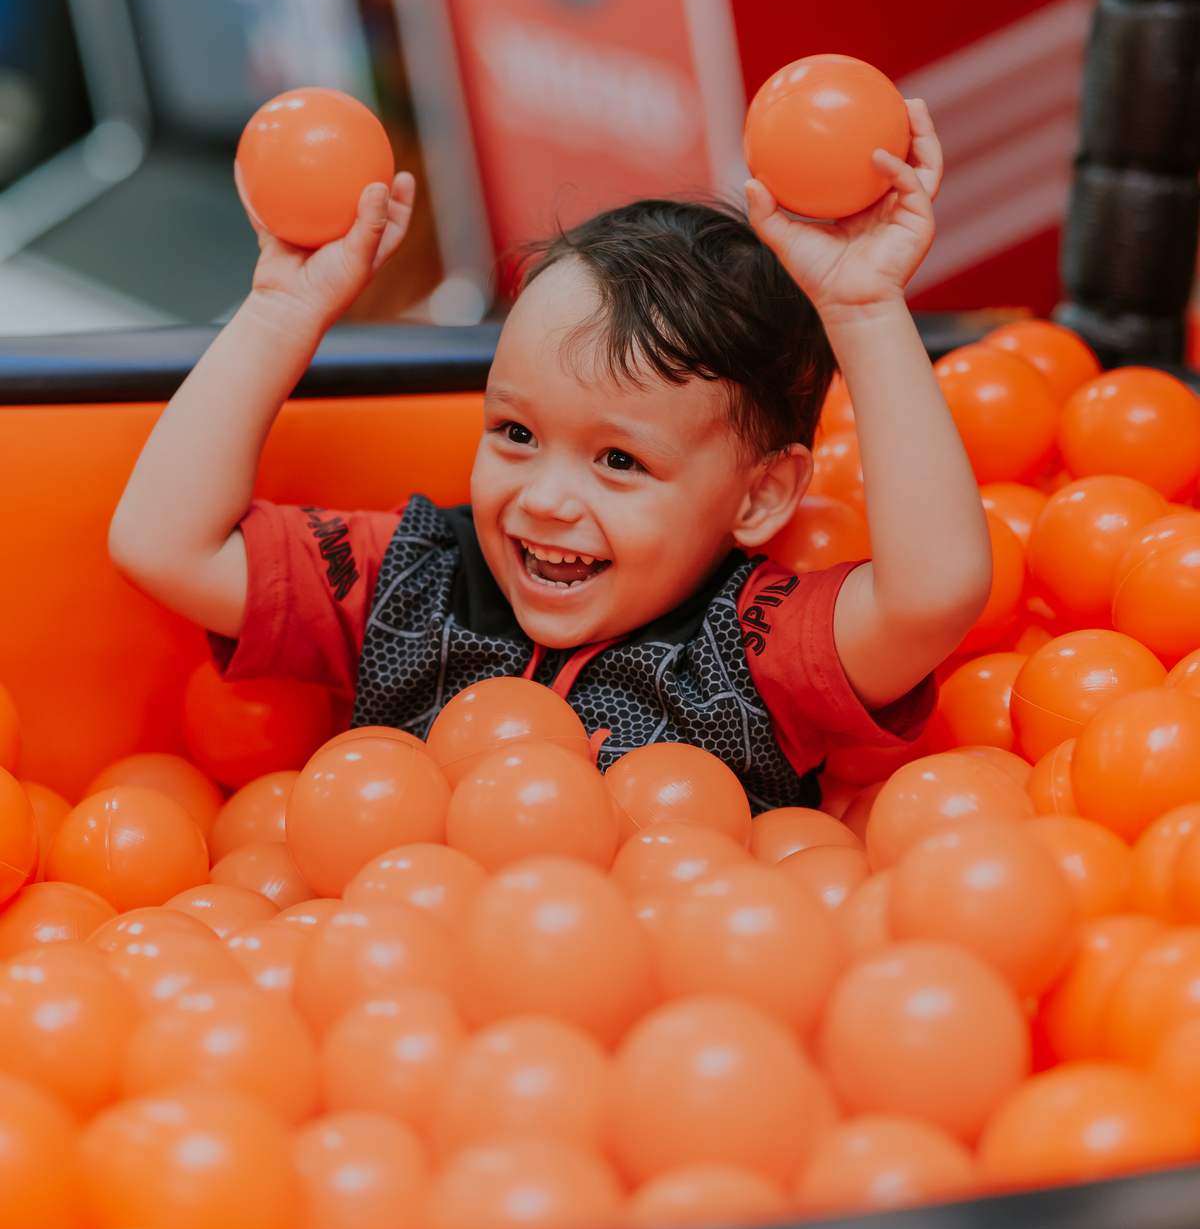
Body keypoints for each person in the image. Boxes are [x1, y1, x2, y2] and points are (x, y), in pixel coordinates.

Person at [109, 100, 991, 811]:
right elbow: (163, 543)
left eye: (619, 462)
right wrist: (278, 312)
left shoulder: (757, 648)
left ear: (761, 496)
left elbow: (931, 596)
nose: (546, 500)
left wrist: (867, 309)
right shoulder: (410, 582)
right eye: (517, 434)